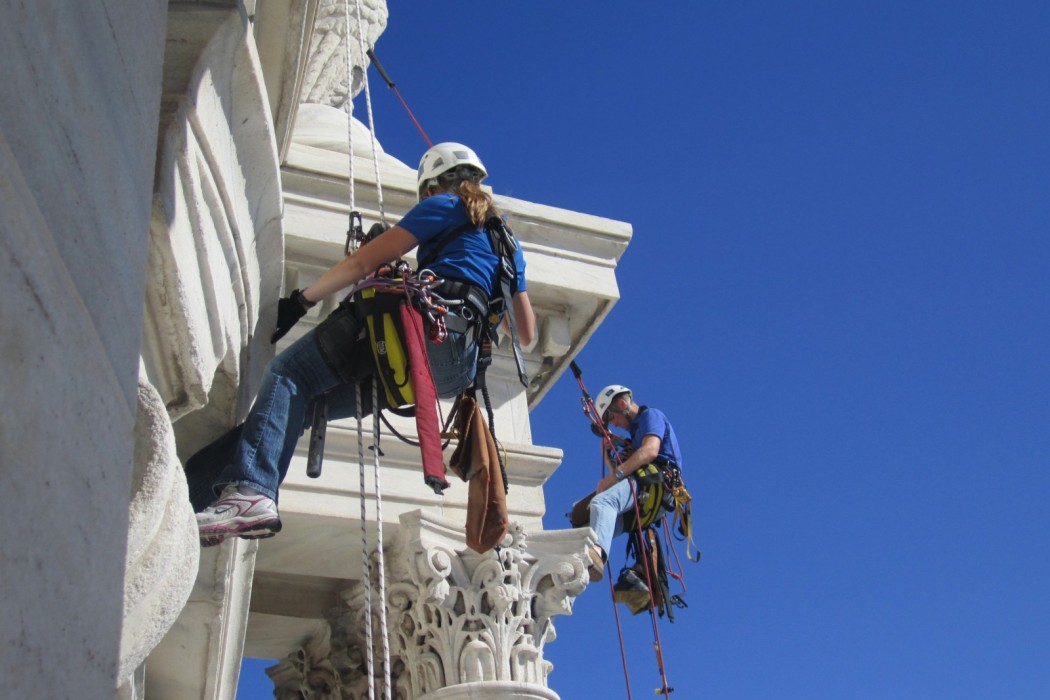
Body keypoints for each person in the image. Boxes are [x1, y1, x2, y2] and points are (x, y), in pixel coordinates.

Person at [186, 142, 535, 546]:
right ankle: (197, 490)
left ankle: (252, 491)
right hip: (448, 372)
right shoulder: (507, 243)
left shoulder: (443, 205)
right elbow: (525, 335)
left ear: (429, 188)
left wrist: (301, 302)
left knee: (288, 373)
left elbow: (361, 263)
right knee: (298, 405)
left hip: (422, 333)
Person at [585, 385, 682, 582]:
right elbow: (620, 479)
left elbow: (650, 451)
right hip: (649, 494)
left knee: (602, 503)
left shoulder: (650, 416)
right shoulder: (636, 435)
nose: (615, 424)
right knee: (594, 525)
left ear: (622, 404)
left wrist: (612, 478)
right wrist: (608, 456)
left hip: (656, 482)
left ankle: (597, 554)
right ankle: (583, 563)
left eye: (613, 418)